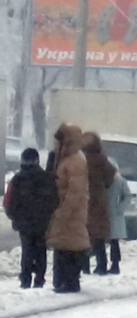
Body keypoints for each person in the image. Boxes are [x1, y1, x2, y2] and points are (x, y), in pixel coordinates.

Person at [3, 147, 59, 288]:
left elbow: (8, 202)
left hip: (24, 223)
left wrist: (15, 218)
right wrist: (48, 215)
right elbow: (55, 200)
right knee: (41, 250)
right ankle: (39, 279)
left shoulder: (17, 179)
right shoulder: (47, 178)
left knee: (27, 250)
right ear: (36, 161)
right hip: (43, 222)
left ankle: (25, 279)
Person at [46, 123, 90, 293]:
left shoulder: (75, 161)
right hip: (67, 210)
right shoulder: (66, 159)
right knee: (64, 245)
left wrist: (63, 211)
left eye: (59, 142)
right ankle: (64, 281)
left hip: (71, 212)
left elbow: (75, 190)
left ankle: (69, 281)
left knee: (70, 247)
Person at [82, 132, 117, 275]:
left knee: (84, 235)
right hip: (99, 199)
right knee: (99, 236)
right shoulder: (102, 160)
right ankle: (101, 265)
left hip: (84, 198)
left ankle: (84, 265)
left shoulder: (81, 159)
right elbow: (111, 174)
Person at [106, 161, 130, 275]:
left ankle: (115, 264)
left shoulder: (120, 181)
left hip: (115, 215)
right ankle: (110, 264)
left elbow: (128, 196)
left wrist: (120, 208)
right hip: (107, 213)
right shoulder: (106, 181)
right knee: (109, 241)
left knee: (114, 241)